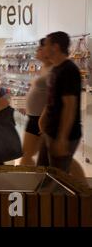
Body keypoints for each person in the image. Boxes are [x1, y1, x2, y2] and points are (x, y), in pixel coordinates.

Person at [38, 32, 85, 178]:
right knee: (42, 173)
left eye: (45, 44)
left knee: (57, 181)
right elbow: (52, 99)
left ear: (55, 47)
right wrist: (43, 119)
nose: (43, 48)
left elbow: (69, 106)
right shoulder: (56, 69)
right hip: (51, 131)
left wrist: (62, 138)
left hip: (63, 134)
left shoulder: (69, 70)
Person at [20, 38, 52, 166]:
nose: (37, 50)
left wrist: (44, 118)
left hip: (41, 119)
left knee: (28, 154)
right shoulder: (44, 67)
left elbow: (52, 98)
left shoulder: (53, 70)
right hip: (35, 117)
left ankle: (27, 181)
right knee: (29, 154)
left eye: (40, 48)